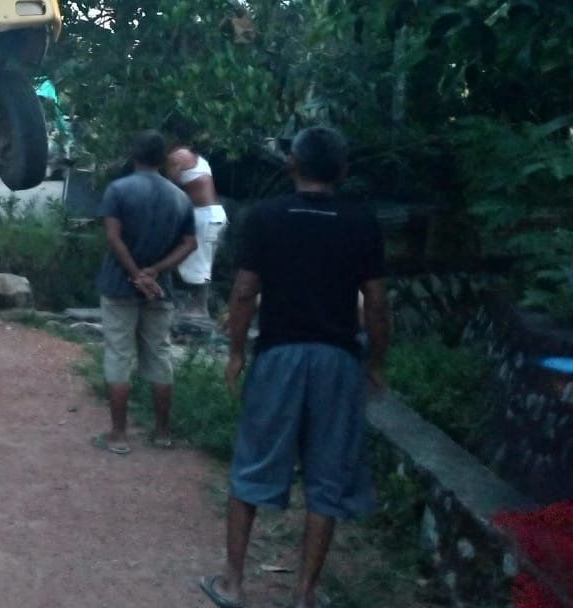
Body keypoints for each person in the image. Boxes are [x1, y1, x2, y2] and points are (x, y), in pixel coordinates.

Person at [200, 126, 388, 608]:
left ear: (291, 165)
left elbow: (244, 292)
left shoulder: (266, 217)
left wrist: (237, 352)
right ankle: (304, 595)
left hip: (279, 355)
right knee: (327, 480)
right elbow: (376, 301)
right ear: (342, 172)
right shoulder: (362, 222)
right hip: (337, 359)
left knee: (253, 465)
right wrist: (375, 361)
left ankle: (233, 583)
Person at [91, 129, 197, 455]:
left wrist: (135, 273)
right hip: (159, 290)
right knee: (159, 357)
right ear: (164, 158)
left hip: (118, 285)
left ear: (133, 155)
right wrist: (156, 271)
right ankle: (162, 432)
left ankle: (119, 435)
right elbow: (190, 243)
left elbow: (113, 237)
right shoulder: (179, 197)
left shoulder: (119, 190)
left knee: (119, 356)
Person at [166, 135, 228, 322]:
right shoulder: (197, 157)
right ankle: (197, 306)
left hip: (205, 216)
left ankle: (199, 309)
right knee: (201, 261)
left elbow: (169, 187)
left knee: (199, 261)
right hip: (211, 215)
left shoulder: (178, 156)